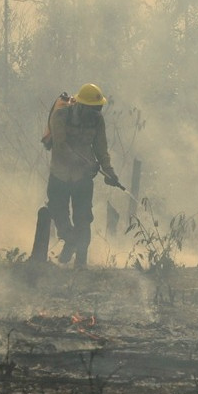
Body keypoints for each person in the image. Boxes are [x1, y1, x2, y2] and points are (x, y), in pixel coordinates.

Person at [42, 83, 121, 266]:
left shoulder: (97, 120)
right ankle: (70, 241)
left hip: (83, 178)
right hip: (60, 174)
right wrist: (85, 163)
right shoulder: (60, 115)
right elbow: (60, 146)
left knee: (83, 218)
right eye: (94, 109)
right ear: (81, 105)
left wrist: (109, 171)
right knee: (59, 213)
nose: (97, 112)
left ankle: (81, 263)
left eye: (99, 108)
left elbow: (101, 148)